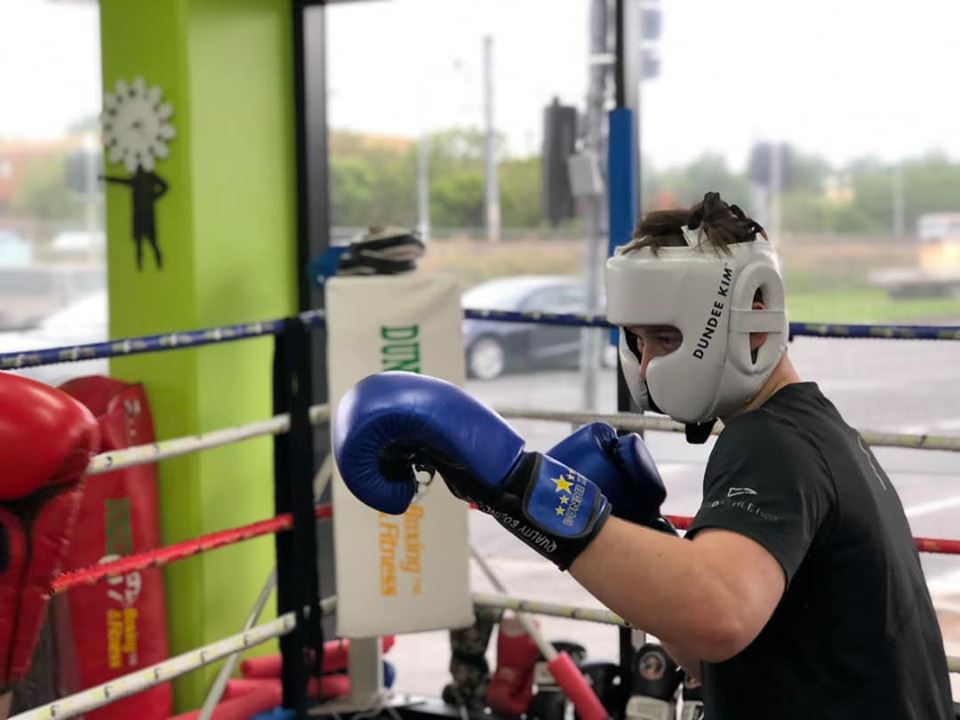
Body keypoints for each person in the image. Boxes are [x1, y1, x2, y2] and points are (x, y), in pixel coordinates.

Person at [333, 192, 955, 719]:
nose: (652, 363)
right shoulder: (813, 429)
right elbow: (711, 651)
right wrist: (637, 533)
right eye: (638, 340)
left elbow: (718, 616)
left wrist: (520, 482)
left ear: (754, 322)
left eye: (667, 338)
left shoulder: (770, 443)